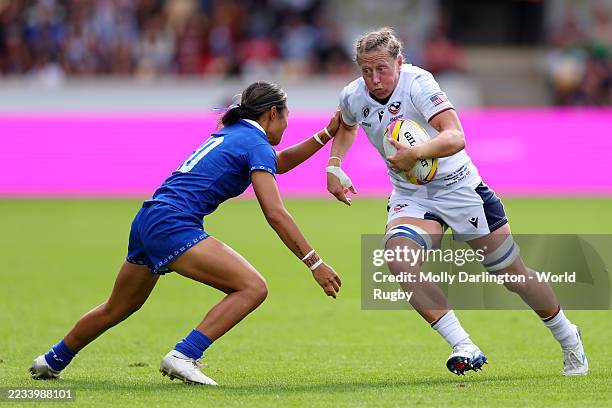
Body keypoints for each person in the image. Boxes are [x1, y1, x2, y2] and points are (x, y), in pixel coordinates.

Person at [30, 81, 342, 385]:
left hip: (149, 217)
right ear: (273, 113)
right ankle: (184, 355)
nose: (287, 127)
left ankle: (52, 359)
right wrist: (315, 263)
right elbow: (274, 212)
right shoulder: (255, 143)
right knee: (252, 287)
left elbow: (279, 162)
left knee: (119, 306)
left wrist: (327, 134)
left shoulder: (235, 134)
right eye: (287, 118)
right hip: (172, 224)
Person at [326, 28, 588, 376]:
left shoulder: (418, 84)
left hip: (461, 190)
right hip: (412, 196)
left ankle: (568, 337)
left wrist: (416, 153)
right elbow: (346, 125)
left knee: (512, 275)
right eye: (366, 71)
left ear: (399, 63)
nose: (374, 79)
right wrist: (334, 165)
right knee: (399, 258)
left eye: (382, 69)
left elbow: (455, 135)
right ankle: (463, 344)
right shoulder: (353, 95)